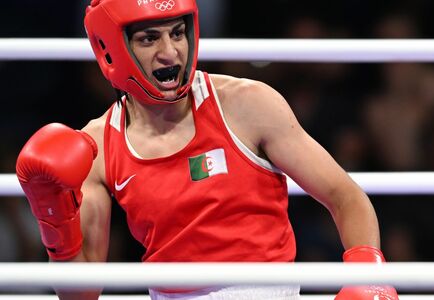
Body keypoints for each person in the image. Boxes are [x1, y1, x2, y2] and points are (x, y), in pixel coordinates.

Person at [15, 0, 399, 299]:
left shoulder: (246, 105)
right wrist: (54, 217)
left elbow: (346, 197)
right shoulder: (98, 144)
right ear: (112, 47)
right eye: (149, 39)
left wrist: (367, 273)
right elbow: (80, 292)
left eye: (177, 34)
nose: (170, 53)